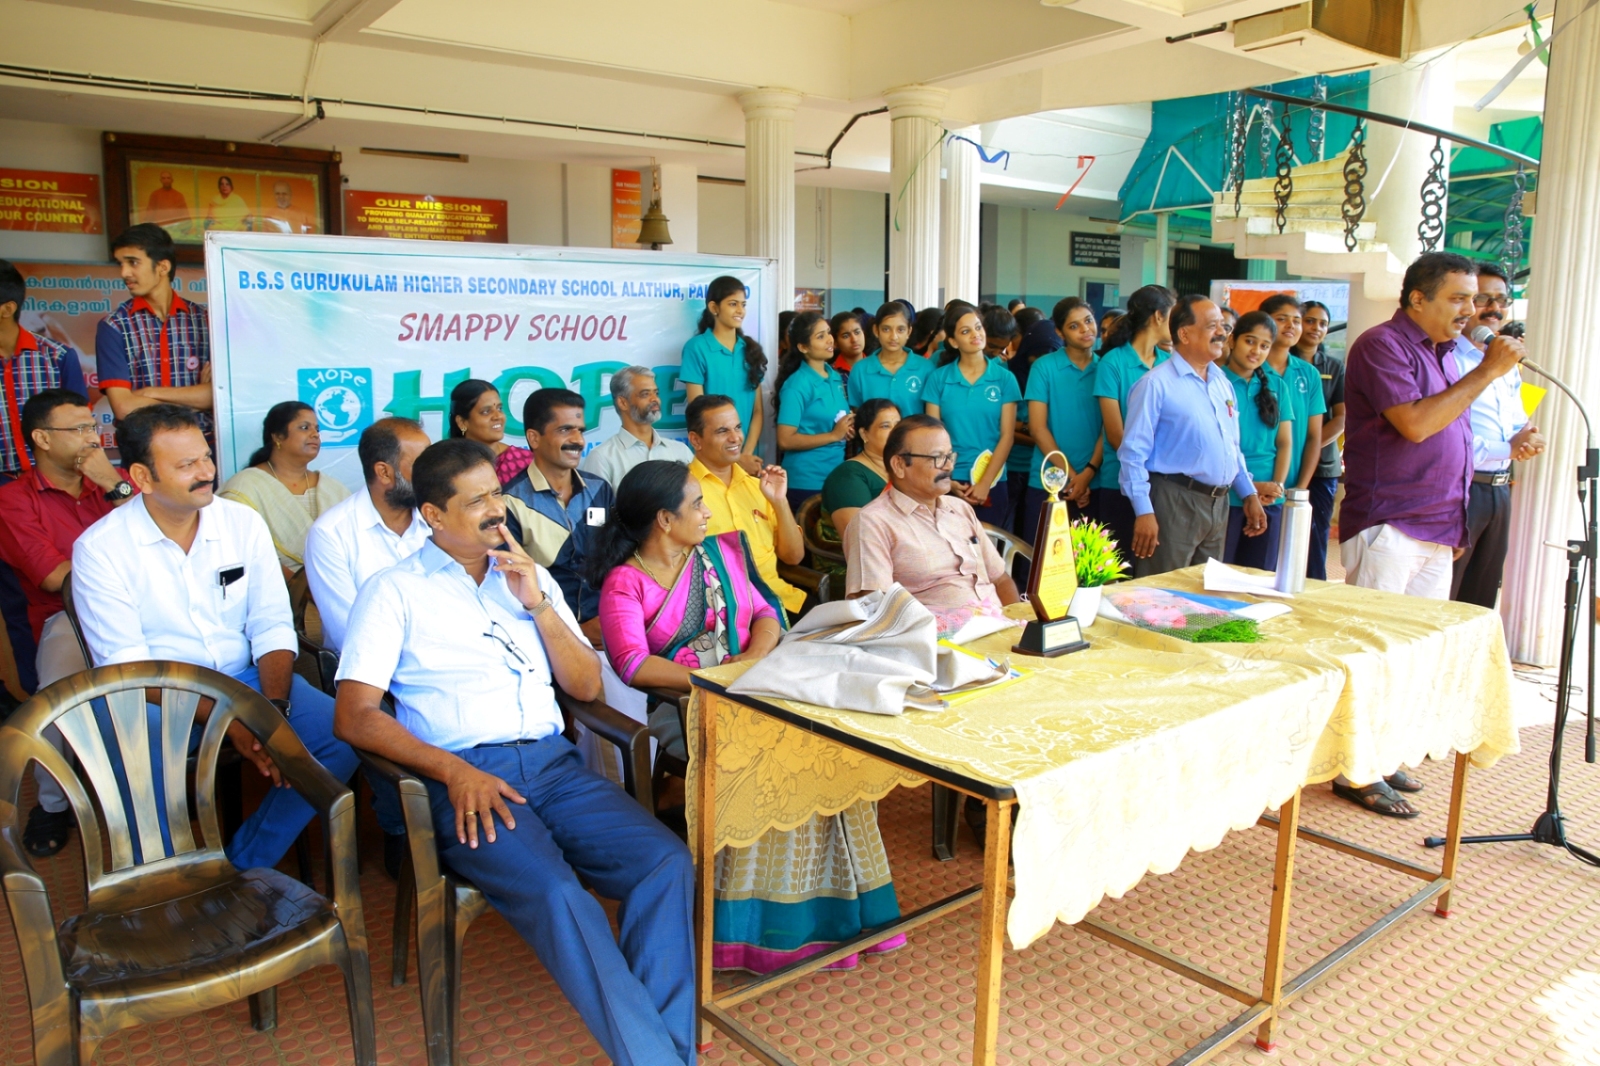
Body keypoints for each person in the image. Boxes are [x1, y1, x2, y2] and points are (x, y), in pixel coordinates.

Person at [331, 439, 695, 1066]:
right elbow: (354, 716)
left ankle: (664, 1054)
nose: (497, 509)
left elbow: (583, 686)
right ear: (434, 516)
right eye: (476, 501)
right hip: (468, 780)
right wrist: (453, 771)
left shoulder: (526, 575)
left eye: (496, 492)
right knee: (562, 899)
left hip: (555, 768)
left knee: (664, 863)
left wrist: (538, 604)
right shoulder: (393, 591)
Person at [71, 404, 360, 871]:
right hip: (153, 695)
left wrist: (272, 711)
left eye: (206, 457)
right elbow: (130, 670)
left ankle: (243, 865)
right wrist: (235, 719)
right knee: (131, 755)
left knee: (341, 736)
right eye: (187, 465)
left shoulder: (239, 522)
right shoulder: (101, 550)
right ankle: (173, 877)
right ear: (142, 477)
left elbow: (270, 623)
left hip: (242, 677)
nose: (206, 472)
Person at [1338, 252, 1527, 817]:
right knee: (1370, 650)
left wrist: (1455, 525)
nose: (1472, 310)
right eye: (1459, 298)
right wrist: (1485, 372)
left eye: (1475, 299)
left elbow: (1459, 440)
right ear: (1417, 298)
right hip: (1391, 522)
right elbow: (1417, 425)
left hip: (1438, 525)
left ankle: (1384, 752)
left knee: (1412, 655)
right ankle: (1353, 767)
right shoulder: (1383, 345)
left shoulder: (1449, 355)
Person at [0, 389, 134, 857]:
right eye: (77, 429)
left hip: (144, 606)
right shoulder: (14, 500)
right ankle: (54, 803)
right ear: (41, 438)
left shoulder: (115, 484)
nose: (91, 438)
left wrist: (116, 488)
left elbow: (163, 539)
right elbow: (58, 577)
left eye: (92, 427)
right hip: (68, 615)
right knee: (60, 692)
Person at [1118, 296, 1267, 577]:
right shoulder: (1155, 384)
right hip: (1174, 501)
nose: (1222, 332)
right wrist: (1144, 511)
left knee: (1203, 594)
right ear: (1184, 334)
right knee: (1162, 597)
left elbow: (1231, 445)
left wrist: (1248, 493)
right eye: (1212, 326)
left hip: (1218, 504)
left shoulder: (1222, 381)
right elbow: (1132, 453)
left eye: (1223, 326)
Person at [1, 259, 92, 693]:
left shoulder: (55, 355)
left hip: (56, 478)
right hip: (10, 492)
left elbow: (74, 409)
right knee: (17, 601)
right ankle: (27, 695)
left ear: (6, 308)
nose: (88, 432)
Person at [845, 414, 1021, 637]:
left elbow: (1001, 579)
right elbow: (874, 610)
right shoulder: (874, 522)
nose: (948, 466)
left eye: (950, 456)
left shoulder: (960, 509)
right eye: (937, 458)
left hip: (998, 631)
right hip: (939, 647)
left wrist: (1015, 628)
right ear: (899, 465)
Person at [1451, 263, 1545, 607]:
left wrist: (1527, 436)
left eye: (1501, 300)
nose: (1494, 309)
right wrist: (1509, 446)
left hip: (1499, 489)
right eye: (1483, 299)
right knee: (1449, 595)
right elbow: (1448, 436)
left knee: (1481, 597)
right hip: (1460, 489)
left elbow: (1517, 420)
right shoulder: (1449, 360)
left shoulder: (1505, 361)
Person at [304, 417, 432, 653]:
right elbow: (353, 636)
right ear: (384, 472)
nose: (433, 476)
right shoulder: (330, 535)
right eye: (422, 466)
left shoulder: (439, 518)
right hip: (374, 673)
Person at [502, 388, 614, 645]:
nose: (579, 440)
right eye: (565, 430)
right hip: (547, 635)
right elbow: (511, 586)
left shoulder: (599, 490)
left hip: (607, 628)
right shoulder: (511, 502)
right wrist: (578, 630)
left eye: (581, 430)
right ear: (534, 438)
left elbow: (617, 557)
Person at [686, 394, 806, 617]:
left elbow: (794, 557)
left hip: (781, 602)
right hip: (725, 614)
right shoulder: (682, 491)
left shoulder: (759, 487)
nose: (735, 438)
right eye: (722, 431)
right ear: (695, 440)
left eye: (738, 427)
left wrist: (779, 502)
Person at [96, 224, 214, 427]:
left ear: (163, 267)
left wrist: (149, 393)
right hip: (144, 452)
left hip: (203, 450)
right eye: (120, 264)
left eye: (133, 262)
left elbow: (216, 398)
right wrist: (196, 400)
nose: (124, 273)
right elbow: (124, 408)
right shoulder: (113, 327)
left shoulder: (205, 321)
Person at [220, 401, 350, 577]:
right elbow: (240, 550)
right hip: (275, 589)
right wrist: (299, 589)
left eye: (317, 430)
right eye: (304, 428)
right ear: (278, 436)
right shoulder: (245, 487)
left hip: (337, 587)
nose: (315, 435)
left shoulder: (333, 488)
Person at [1093, 285, 1175, 555]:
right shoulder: (1112, 363)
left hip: (1163, 485)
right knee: (1121, 568)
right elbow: (1116, 435)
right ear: (1158, 316)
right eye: (1173, 313)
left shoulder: (1169, 363)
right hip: (1119, 481)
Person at [923, 302, 1019, 526]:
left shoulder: (1004, 379)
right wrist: (946, 479)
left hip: (992, 480)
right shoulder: (938, 379)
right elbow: (933, 438)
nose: (976, 334)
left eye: (978, 327)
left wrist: (985, 483)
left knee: (988, 555)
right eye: (966, 331)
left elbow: (1007, 436)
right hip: (948, 479)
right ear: (954, 341)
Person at [1022, 298, 1102, 544]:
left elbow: (1108, 429)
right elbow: (1037, 428)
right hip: (1050, 481)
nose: (1085, 330)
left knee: (1091, 570)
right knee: (1042, 566)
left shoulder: (1105, 368)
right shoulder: (1044, 368)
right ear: (1060, 332)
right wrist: (1072, 476)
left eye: (1088, 321)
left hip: (1096, 481)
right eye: (1074, 326)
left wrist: (1086, 475)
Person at [1220, 313, 1292, 569]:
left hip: (1269, 501)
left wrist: (1276, 487)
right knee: (1219, 575)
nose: (1256, 351)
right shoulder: (1215, 381)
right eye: (1250, 341)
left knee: (1259, 580)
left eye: (1264, 345)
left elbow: (1284, 443)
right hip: (1227, 499)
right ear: (1232, 340)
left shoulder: (1277, 386)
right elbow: (1218, 447)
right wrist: (1252, 486)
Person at [680, 276, 768, 477]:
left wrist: (744, 454)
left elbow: (757, 412)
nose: (740, 311)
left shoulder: (750, 350)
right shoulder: (697, 348)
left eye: (743, 304)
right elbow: (698, 413)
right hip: (712, 460)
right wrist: (736, 458)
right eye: (733, 304)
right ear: (714, 307)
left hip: (748, 460)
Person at [775, 311, 852, 514]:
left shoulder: (834, 376)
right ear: (803, 347)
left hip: (834, 476)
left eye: (828, 333)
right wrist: (833, 435)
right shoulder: (797, 384)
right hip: (806, 481)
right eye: (820, 336)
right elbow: (785, 439)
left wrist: (845, 430)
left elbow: (831, 421)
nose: (829, 339)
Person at [1293, 300, 1346, 580]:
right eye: (1310, 321)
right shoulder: (1279, 362)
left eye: (1322, 323)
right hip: (1282, 463)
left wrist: (1308, 448)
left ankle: (1314, 585)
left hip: (1323, 466)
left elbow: (1341, 418)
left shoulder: (1335, 367)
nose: (1316, 328)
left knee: (1316, 532)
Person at [1259, 295, 1327, 508]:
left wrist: (1300, 489)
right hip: (1248, 486)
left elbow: (1314, 436)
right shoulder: (1247, 369)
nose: (1291, 325)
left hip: (1288, 491)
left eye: (1297, 320)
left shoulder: (1309, 374)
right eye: (1282, 319)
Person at [579, 366, 693, 488]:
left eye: (656, 393)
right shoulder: (602, 457)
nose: (655, 399)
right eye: (645, 394)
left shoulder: (681, 451)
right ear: (623, 402)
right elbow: (597, 506)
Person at [822, 399, 900, 534]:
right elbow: (859, 537)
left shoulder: (902, 468)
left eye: (898, 426)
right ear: (864, 433)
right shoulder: (847, 477)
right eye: (886, 426)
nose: (895, 433)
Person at [847, 302, 933, 416]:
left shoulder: (926, 368)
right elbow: (858, 414)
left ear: (909, 331)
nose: (893, 336)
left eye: (900, 329)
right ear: (876, 331)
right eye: (886, 329)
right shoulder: (860, 370)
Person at [448, 378, 532, 485]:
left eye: (499, 408)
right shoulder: (448, 466)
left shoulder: (525, 461)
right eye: (486, 411)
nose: (498, 416)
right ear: (462, 422)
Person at [829, 310, 867, 375]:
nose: (854, 339)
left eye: (857, 332)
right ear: (835, 342)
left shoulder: (878, 368)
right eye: (846, 336)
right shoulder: (830, 374)